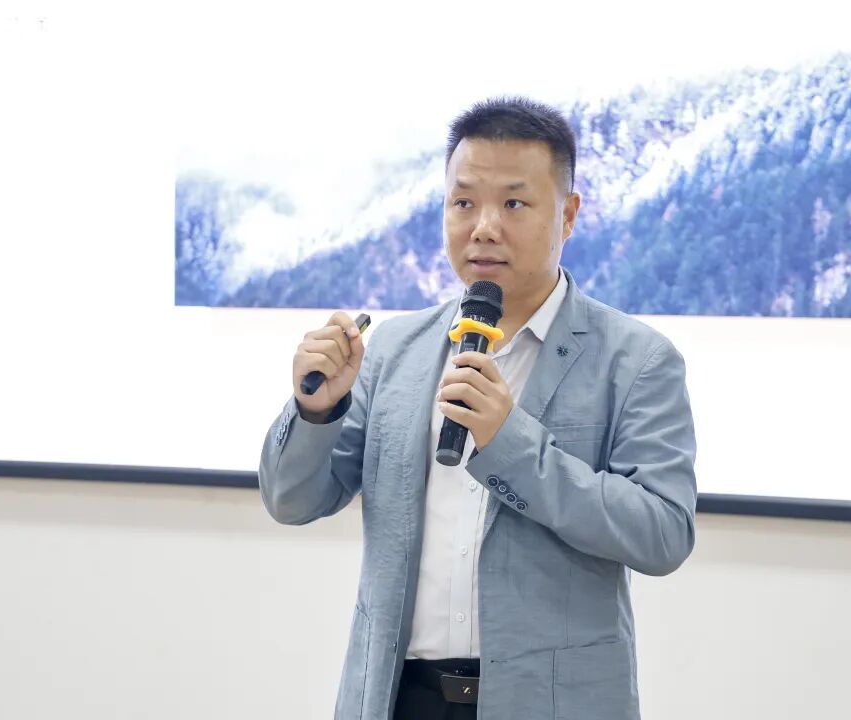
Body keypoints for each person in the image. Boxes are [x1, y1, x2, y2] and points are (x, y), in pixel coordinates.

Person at [259, 97, 697, 720]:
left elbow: (663, 533)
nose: (484, 227)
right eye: (463, 202)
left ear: (569, 214)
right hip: (397, 697)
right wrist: (316, 413)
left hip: (549, 705)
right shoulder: (396, 349)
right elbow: (291, 500)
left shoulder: (637, 360)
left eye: (513, 204)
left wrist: (511, 444)